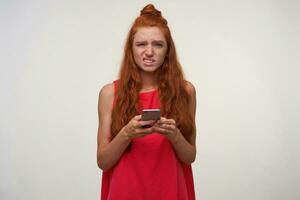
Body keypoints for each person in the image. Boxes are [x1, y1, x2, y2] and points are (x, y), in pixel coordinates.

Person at [97, 4, 197, 200]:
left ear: (168, 50)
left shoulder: (186, 91)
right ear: (131, 49)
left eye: (158, 44)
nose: (149, 52)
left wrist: (174, 135)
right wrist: (127, 133)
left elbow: (190, 157)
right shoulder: (110, 93)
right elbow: (103, 161)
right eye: (141, 44)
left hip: (170, 192)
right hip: (125, 193)